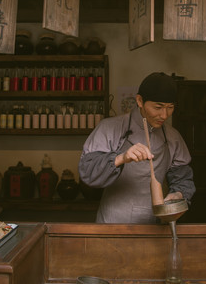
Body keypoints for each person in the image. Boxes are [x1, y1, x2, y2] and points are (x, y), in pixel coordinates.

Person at [78, 72, 195, 223]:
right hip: (113, 222)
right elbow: (87, 172)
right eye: (158, 107)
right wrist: (120, 158)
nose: (164, 115)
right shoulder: (109, 128)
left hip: (155, 226)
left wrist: (178, 194)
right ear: (140, 100)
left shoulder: (173, 137)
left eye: (170, 107)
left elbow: (183, 178)